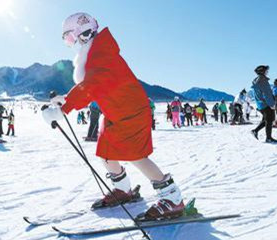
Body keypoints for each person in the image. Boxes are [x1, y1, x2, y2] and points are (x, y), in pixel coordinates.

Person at [42, 12, 184, 220]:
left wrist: (64, 108)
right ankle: (123, 190)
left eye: (70, 38)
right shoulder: (94, 53)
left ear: (84, 33)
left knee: (135, 155)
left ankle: (172, 199)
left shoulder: (103, 54)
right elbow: (90, 83)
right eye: (67, 40)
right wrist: (66, 100)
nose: (70, 44)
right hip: (115, 112)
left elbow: (93, 84)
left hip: (131, 112)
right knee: (107, 151)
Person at [251, 65, 277, 143]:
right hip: (265, 103)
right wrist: (272, 104)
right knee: (269, 120)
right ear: (262, 71)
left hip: (261, 104)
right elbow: (267, 94)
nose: (267, 72)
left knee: (267, 120)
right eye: (266, 71)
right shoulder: (262, 80)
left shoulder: (257, 80)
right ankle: (268, 138)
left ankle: (255, 131)